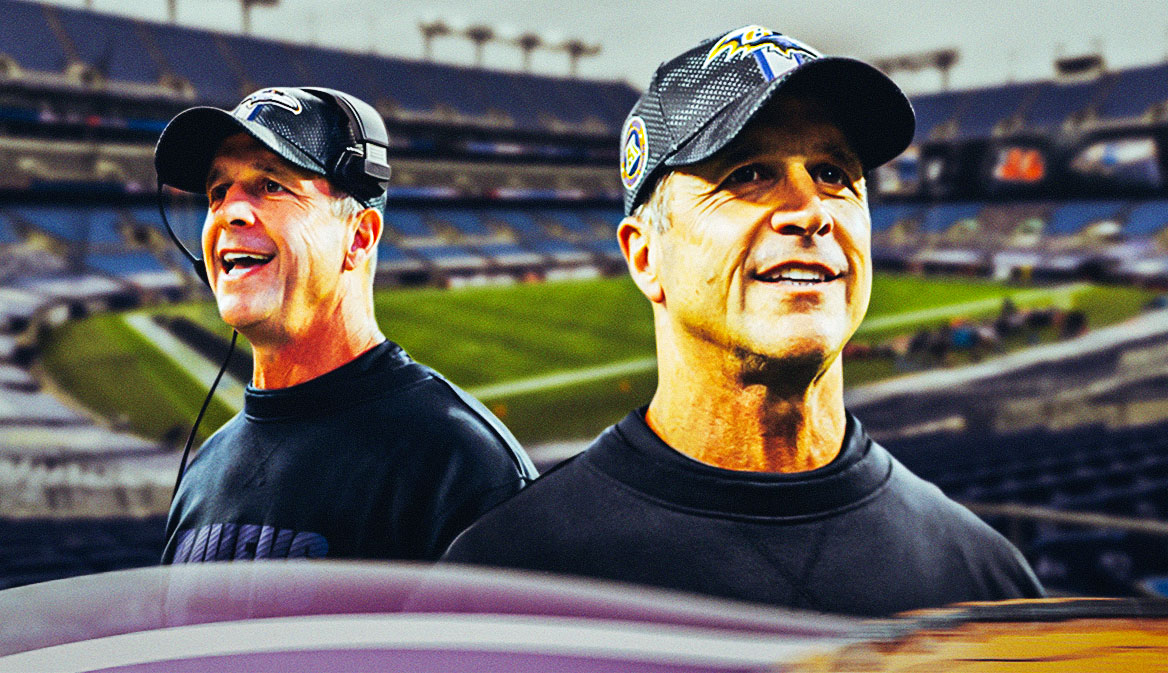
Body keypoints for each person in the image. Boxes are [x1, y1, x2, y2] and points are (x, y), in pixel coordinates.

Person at [443, 27, 1044, 616]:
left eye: (834, 175)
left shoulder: (985, 579)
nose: (810, 211)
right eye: (748, 174)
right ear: (645, 256)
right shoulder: (507, 581)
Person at [153, 86, 537, 563]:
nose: (229, 210)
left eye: (271, 185)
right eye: (217, 192)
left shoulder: (461, 466)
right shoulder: (203, 474)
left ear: (358, 237)